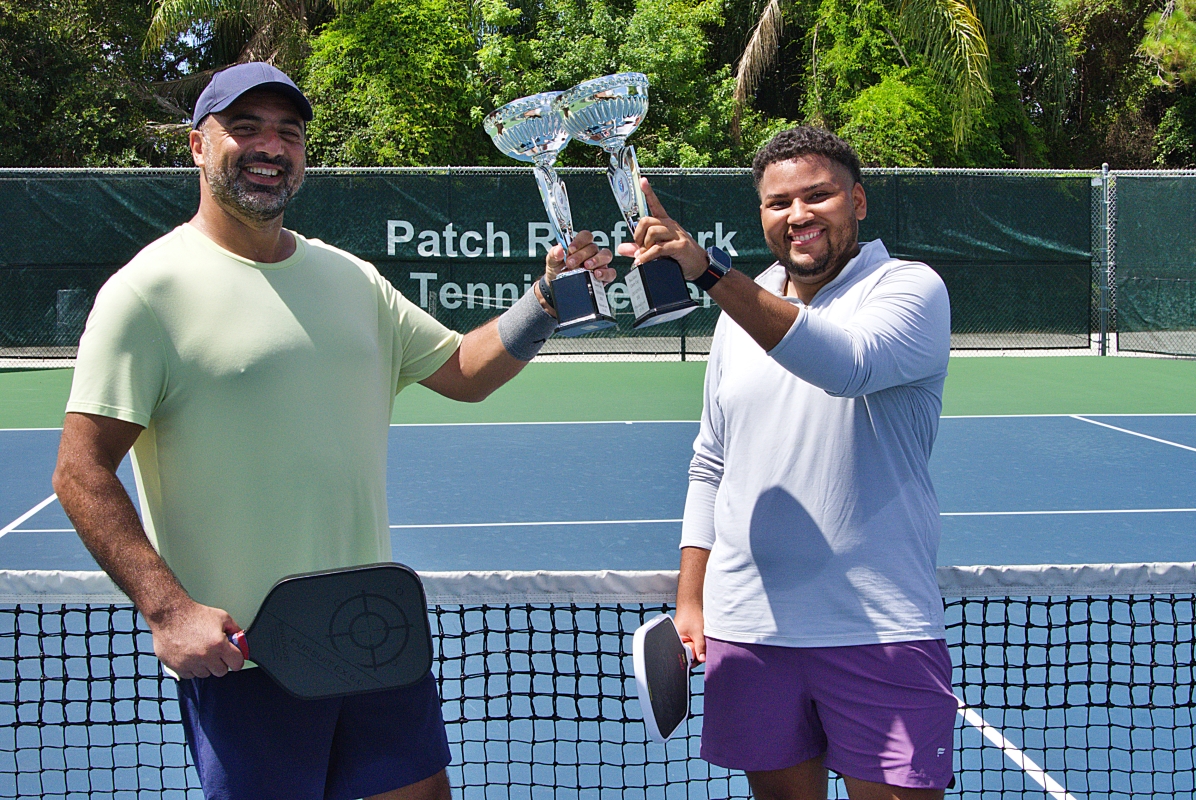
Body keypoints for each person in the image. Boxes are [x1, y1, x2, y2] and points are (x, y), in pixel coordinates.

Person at [51, 62, 613, 800]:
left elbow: (466, 371)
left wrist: (546, 299)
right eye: (244, 128)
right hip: (249, 660)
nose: (269, 146)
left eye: (287, 132)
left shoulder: (354, 280)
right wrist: (170, 610)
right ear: (197, 146)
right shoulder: (145, 293)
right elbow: (80, 471)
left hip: (374, 639)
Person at [617, 126, 954, 800]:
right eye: (778, 203)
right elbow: (711, 459)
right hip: (749, 630)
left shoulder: (909, 289)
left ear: (856, 201)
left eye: (818, 195)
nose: (798, 216)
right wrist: (691, 597)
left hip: (876, 630)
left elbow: (845, 364)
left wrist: (710, 272)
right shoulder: (737, 311)